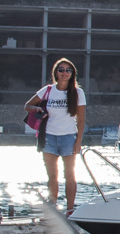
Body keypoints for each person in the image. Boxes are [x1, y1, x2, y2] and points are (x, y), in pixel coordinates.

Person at [30, 59, 86, 213]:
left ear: (72, 74)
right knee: (52, 176)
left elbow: (81, 119)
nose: (64, 73)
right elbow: (27, 105)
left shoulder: (78, 93)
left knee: (70, 175)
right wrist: (37, 109)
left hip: (69, 137)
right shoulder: (48, 90)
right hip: (49, 137)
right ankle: (53, 209)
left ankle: (70, 209)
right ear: (56, 72)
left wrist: (78, 141)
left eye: (68, 70)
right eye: (61, 70)